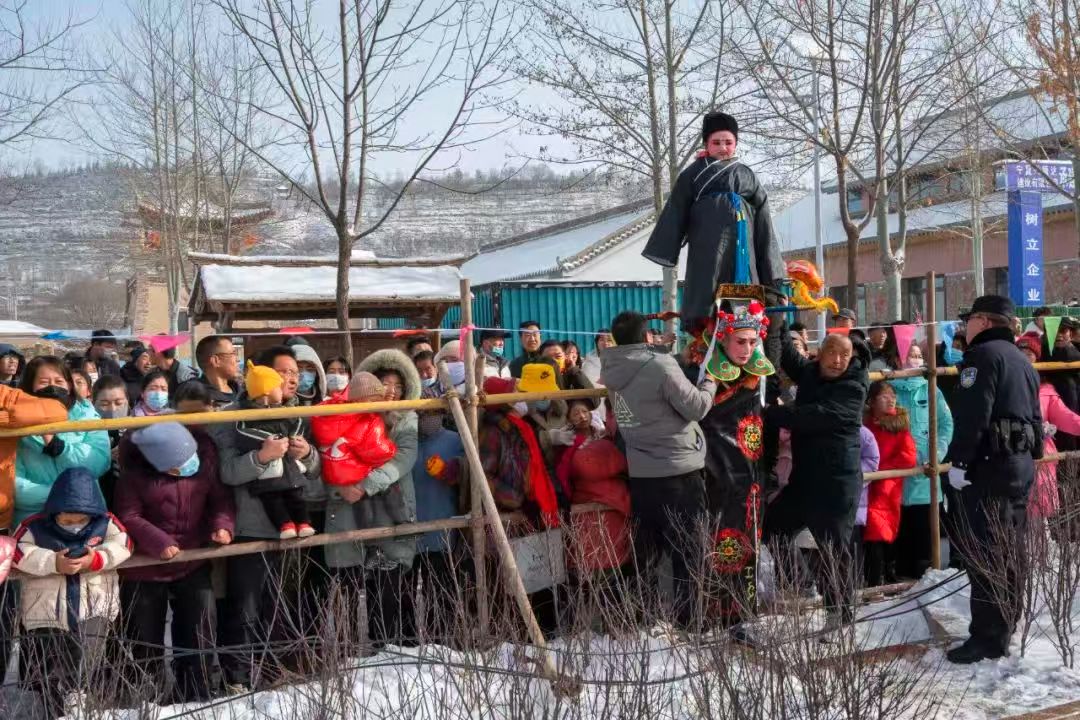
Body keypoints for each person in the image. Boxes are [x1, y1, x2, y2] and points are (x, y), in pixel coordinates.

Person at [208, 346, 321, 691]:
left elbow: (317, 470)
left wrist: (308, 454)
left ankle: (275, 669)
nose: (292, 378)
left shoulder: (299, 415)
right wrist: (261, 456)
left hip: (294, 526)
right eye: (284, 371)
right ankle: (237, 677)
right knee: (245, 604)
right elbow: (227, 472)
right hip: (250, 525)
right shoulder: (231, 416)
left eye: (296, 372)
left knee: (281, 602)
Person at [944, 295, 1042, 664]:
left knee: (986, 553)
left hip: (989, 467)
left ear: (984, 321)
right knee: (1011, 550)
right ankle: (1006, 624)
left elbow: (973, 417)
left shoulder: (982, 357)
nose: (965, 326)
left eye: (969, 320)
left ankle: (988, 636)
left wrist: (959, 462)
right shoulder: (1020, 359)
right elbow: (1035, 417)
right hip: (1018, 465)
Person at [601, 310, 716, 628]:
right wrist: (711, 380)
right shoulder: (661, 365)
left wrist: (673, 358)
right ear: (647, 336)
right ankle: (691, 622)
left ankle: (640, 619)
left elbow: (638, 391)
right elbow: (697, 407)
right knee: (689, 550)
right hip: (678, 469)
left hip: (642, 472)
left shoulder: (612, 367)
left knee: (648, 553)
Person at [115, 422, 234, 703]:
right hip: (144, 567)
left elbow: (221, 500)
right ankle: (148, 694)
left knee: (200, 626)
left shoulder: (202, 468)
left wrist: (223, 525)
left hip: (192, 560)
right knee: (145, 634)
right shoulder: (133, 478)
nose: (188, 464)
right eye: (179, 464)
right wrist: (159, 542)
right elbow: (128, 515)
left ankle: (196, 690)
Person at [642, 111, 784, 335]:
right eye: (716, 142)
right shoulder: (692, 174)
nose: (723, 148)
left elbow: (764, 221)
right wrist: (667, 247)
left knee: (745, 310)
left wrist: (770, 269)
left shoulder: (747, 175)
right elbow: (676, 210)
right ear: (706, 144)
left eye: (728, 142)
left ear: (736, 144)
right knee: (708, 301)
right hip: (708, 252)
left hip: (744, 252)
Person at [764, 331, 871, 625]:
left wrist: (772, 413)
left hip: (836, 484)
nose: (837, 361)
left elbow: (812, 416)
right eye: (832, 353)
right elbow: (790, 358)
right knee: (772, 527)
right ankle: (802, 582)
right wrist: (778, 326)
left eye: (844, 355)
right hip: (804, 480)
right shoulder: (812, 372)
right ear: (819, 353)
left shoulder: (854, 387)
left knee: (833, 550)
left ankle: (839, 614)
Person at [13, 467, 132, 719]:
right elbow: (19, 551)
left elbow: (124, 544)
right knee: (49, 663)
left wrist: (97, 559)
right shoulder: (35, 527)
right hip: (47, 610)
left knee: (88, 657)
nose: (74, 526)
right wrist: (52, 562)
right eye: (66, 521)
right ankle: (51, 708)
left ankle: (80, 701)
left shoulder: (106, 523)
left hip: (95, 606)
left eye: (80, 520)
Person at [685, 301, 776, 624]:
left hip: (751, 479)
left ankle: (744, 610)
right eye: (741, 341)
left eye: (753, 342)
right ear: (722, 339)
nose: (747, 349)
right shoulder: (699, 374)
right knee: (716, 540)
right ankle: (714, 613)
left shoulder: (759, 374)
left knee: (748, 540)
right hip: (715, 477)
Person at [325, 348, 420, 645]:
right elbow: (331, 458)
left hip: (391, 507)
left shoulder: (406, 419)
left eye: (398, 385)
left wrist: (365, 485)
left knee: (390, 583)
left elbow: (403, 459)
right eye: (385, 383)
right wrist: (341, 487)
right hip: (348, 508)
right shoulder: (344, 415)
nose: (391, 391)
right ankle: (351, 651)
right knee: (349, 583)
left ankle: (393, 647)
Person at [14, 357, 111, 526]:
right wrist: (61, 497)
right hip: (35, 521)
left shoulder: (88, 416)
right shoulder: (13, 425)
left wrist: (59, 448)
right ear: (30, 386)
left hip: (85, 514)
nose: (53, 387)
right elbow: (13, 486)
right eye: (44, 382)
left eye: (59, 381)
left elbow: (98, 463)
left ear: (69, 385)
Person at [890, 346, 954, 581]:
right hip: (895, 477)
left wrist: (938, 452)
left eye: (919, 355)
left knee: (925, 536)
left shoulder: (931, 388)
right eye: (910, 355)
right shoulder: (887, 390)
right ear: (898, 359)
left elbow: (946, 424)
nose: (915, 360)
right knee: (898, 536)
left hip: (925, 475)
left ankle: (924, 578)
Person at [411, 380, 467, 641]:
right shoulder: (406, 441)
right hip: (408, 530)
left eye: (432, 411)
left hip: (442, 527)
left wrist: (451, 470)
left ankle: (443, 638)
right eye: (420, 412)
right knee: (406, 592)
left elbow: (469, 475)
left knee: (441, 589)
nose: (426, 418)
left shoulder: (455, 440)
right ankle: (406, 642)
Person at [235, 361, 316, 540]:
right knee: (272, 500)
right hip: (268, 473)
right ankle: (285, 524)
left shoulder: (286, 411)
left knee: (296, 495)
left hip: (289, 467)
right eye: (278, 386)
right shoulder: (244, 414)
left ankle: (303, 522)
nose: (284, 387)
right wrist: (267, 445)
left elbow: (298, 422)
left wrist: (296, 440)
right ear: (266, 392)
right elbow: (243, 432)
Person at [556, 399, 630, 576]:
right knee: (593, 557)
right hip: (585, 505)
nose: (582, 416)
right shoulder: (566, 442)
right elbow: (571, 470)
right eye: (576, 413)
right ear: (569, 419)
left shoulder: (605, 434)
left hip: (612, 507)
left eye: (585, 411)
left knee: (615, 554)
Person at [1016, 333, 1080, 520]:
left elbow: (1067, 418)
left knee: (1040, 522)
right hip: (1014, 458)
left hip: (1042, 459)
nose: (1024, 358)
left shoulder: (1046, 390)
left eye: (1029, 354)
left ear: (1038, 359)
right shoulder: (1005, 385)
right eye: (1020, 353)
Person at [861, 382, 917, 587]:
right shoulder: (865, 425)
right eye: (884, 396)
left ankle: (878, 581)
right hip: (866, 487)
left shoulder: (898, 425)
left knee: (879, 532)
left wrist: (879, 469)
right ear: (872, 401)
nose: (891, 399)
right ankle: (876, 578)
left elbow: (909, 457)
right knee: (870, 534)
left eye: (892, 396)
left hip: (887, 488)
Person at [187, 336, 241, 409]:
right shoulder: (194, 398)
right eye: (233, 354)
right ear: (216, 360)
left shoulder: (244, 394)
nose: (237, 359)